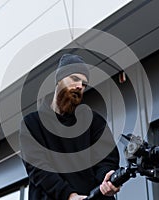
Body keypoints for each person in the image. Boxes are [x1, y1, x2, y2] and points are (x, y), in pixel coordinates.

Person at [19, 53, 120, 200]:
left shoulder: (94, 122)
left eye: (84, 84)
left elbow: (106, 160)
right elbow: (38, 169)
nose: (80, 86)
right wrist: (69, 196)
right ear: (59, 80)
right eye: (74, 79)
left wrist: (108, 179)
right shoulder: (32, 123)